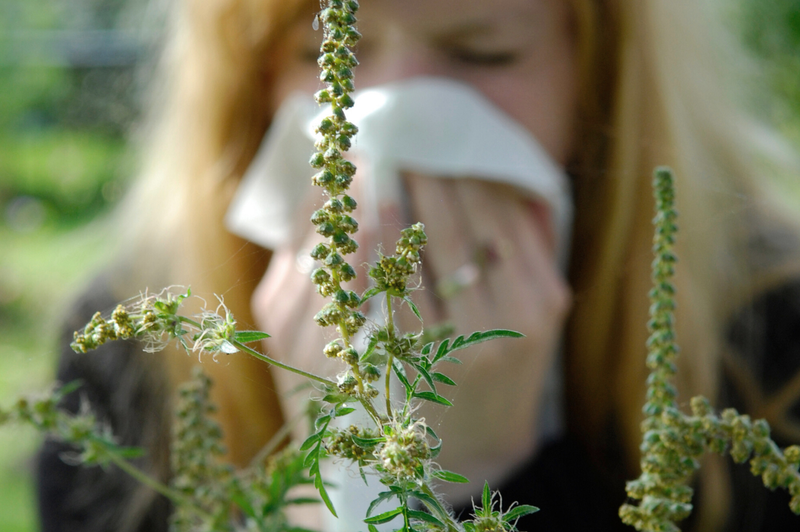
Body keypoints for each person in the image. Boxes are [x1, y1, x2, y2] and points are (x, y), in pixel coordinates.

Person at [36, 0, 800, 531]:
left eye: (481, 51)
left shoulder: (769, 343)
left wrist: (483, 469)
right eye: (323, 53)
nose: (391, 107)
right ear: (247, 81)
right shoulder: (134, 359)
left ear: (600, 74)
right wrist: (337, 479)